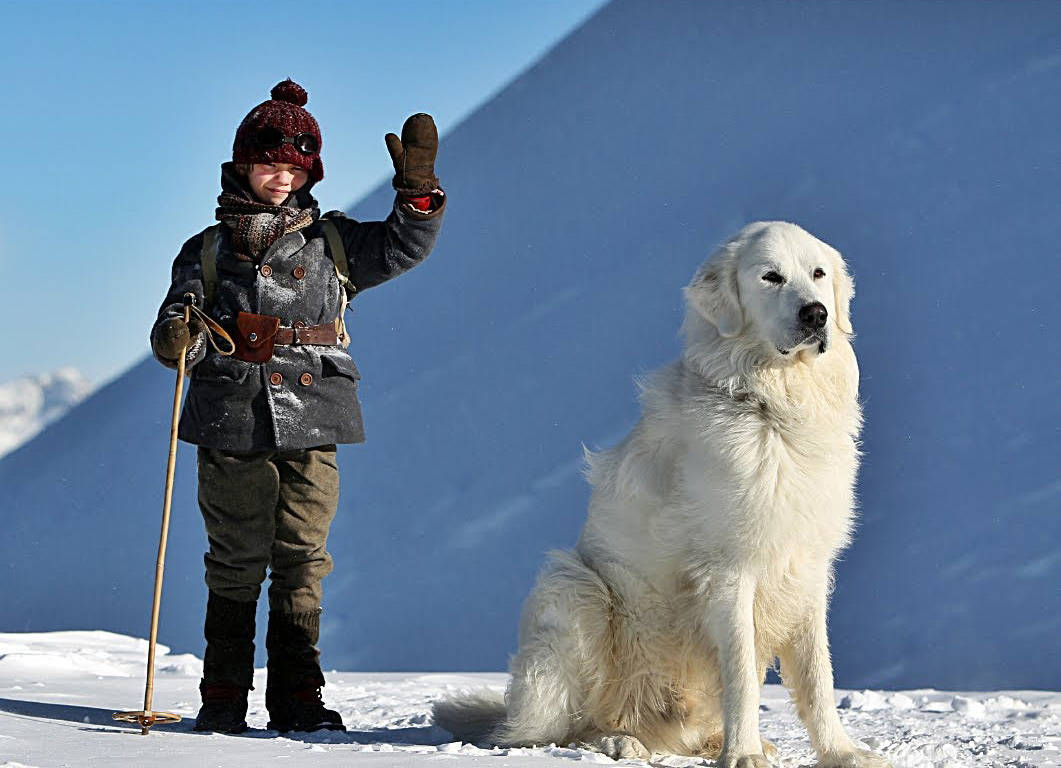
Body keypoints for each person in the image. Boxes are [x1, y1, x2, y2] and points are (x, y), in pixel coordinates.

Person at [149, 79, 445, 734]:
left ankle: (297, 697)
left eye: (292, 167)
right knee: (234, 557)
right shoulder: (204, 250)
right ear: (242, 166)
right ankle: (222, 697)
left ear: (308, 171)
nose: (279, 179)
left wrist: (416, 196)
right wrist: (177, 339)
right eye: (267, 164)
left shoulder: (335, 243)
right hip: (230, 419)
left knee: (303, 557)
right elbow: (177, 328)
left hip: (314, 418)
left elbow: (403, 247)